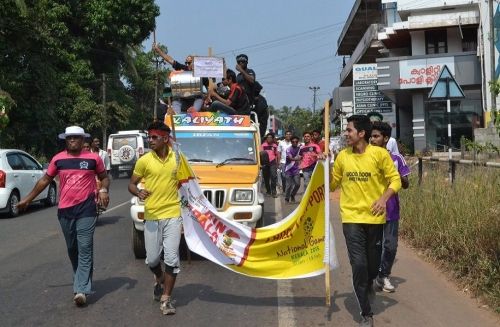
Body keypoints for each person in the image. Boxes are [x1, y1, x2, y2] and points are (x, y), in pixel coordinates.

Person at [17, 126, 110, 306]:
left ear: (83, 140)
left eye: (76, 137)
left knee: (84, 246)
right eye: (69, 138)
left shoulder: (93, 159)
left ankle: (81, 289)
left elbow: (104, 176)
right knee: (72, 248)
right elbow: (45, 180)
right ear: (65, 140)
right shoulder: (58, 159)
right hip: (65, 210)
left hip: (87, 209)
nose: (72, 140)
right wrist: (27, 199)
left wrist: (104, 189)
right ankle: (81, 280)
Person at [329, 115, 401, 327]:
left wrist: (383, 198)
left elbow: (395, 180)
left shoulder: (379, 154)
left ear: (361, 133)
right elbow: (333, 184)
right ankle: (366, 313)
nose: (346, 134)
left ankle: (370, 281)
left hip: (375, 219)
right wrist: (324, 166)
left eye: (349, 130)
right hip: (351, 218)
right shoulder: (342, 156)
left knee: (371, 265)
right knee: (358, 264)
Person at [128, 121, 182, 316]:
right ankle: (159, 278)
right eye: (149, 137)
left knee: (172, 259)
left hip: (173, 214)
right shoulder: (144, 161)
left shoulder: (177, 158)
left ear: (165, 139)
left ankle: (166, 299)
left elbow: (188, 182)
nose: (150, 140)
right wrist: (139, 192)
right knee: (152, 259)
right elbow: (131, 185)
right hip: (152, 215)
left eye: (154, 137)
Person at [370, 121, 410, 293]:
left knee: (391, 246)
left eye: (376, 136)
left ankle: (383, 275)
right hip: (371, 210)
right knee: (373, 247)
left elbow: (406, 184)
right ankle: (370, 276)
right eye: (371, 136)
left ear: (386, 138)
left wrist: (396, 175)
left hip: (391, 210)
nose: (372, 139)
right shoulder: (366, 157)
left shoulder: (396, 159)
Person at [153, 44, 204, 113]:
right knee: (176, 97)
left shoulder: (201, 72)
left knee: (200, 96)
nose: (187, 64)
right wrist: (159, 51)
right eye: (186, 62)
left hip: (195, 100)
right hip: (182, 100)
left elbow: (208, 87)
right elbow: (170, 60)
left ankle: (194, 111)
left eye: (189, 63)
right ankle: (176, 115)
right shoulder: (183, 68)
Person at [260, 132, 279, 198]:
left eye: (270, 137)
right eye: (268, 137)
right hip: (265, 163)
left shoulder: (275, 145)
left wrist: (278, 163)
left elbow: (277, 154)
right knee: (266, 178)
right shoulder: (263, 145)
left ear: (273, 139)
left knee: (273, 177)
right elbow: (261, 154)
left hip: (273, 162)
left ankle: (274, 192)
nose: (269, 139)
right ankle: (268, 191)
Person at [284, 136, 302, 203]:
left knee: (297, 184)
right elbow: (291, 158)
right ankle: (286, 198)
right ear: (291, 142)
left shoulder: (300, 149)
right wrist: (298, 158)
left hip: (296, 169)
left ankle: (292, 195)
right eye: (293, 141)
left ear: (298, 142)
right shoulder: (288, 149)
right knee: (289, 185)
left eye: (296, 142)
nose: (295, 143)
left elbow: (302, 156)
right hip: (289, 169)